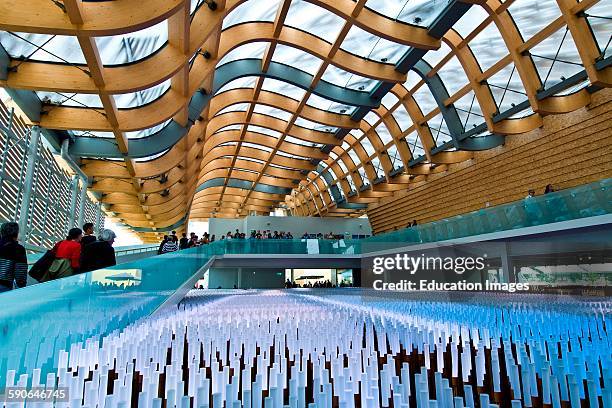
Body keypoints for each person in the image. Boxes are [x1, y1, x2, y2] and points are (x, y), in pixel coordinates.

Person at [0, 222, 27, 292]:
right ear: (16, 233)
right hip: (3, 286)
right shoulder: (18, 249)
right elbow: (20, 273)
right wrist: (21, 285)